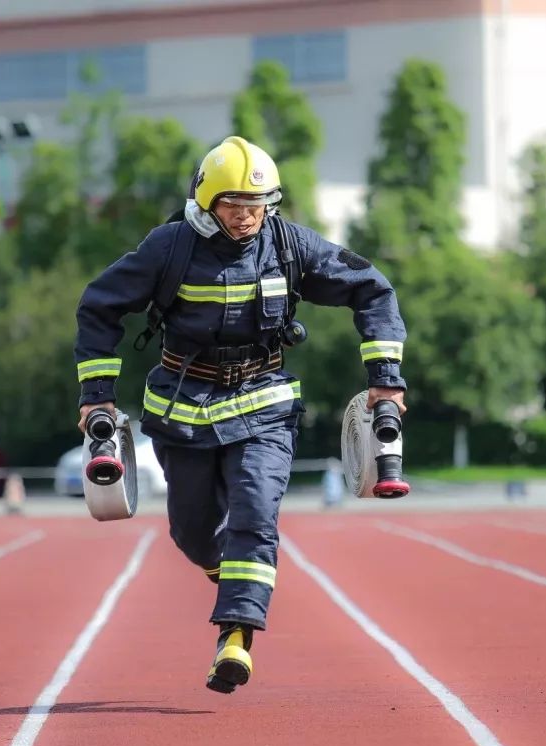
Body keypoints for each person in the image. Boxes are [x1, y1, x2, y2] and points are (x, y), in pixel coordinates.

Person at [74, 135, 407, 694]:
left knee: (255, 512)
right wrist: (97, 395)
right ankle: (230, 578)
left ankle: (236, 637)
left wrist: (386, 380)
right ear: (207, 201)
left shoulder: (290, 244)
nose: (247, 216)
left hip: (265, 405)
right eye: (233, 205)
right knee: (192, 533)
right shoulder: (168, 248)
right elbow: (98, 306)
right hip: (181, 408)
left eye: (257, 205)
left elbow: (373, 290)